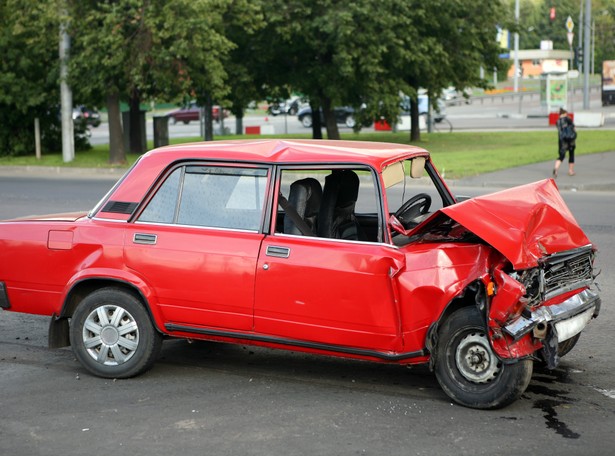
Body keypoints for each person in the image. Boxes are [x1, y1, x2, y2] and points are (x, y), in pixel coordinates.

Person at [553, 108, 577, 177]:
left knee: (561, 156)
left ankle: (556, 169)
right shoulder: (568, 119)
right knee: (571, 154)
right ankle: (570, 171)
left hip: (562, 140)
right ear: (564, 113)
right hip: (570, 140)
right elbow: (573, 128)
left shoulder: (557, 122)